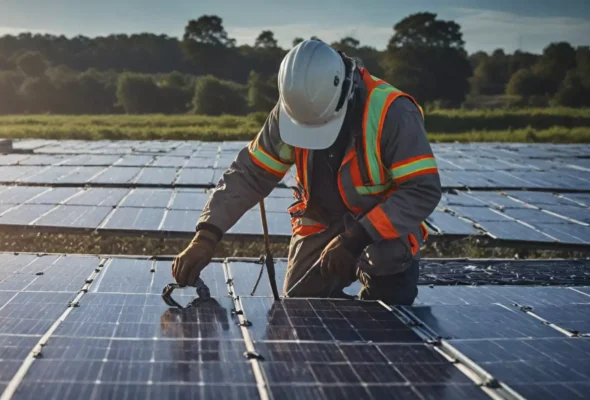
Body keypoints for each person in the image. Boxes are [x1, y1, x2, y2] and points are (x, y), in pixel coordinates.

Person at [171, 40, 442, 305]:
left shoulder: (392, 112)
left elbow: (422, 190)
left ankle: (381, 307)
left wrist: (355, 238)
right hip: (323, 221)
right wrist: (205, 236)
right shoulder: (292, 111)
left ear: (344, 94)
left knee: (388, 295)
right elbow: (250, 174)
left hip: (381, 227)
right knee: (300, 306)